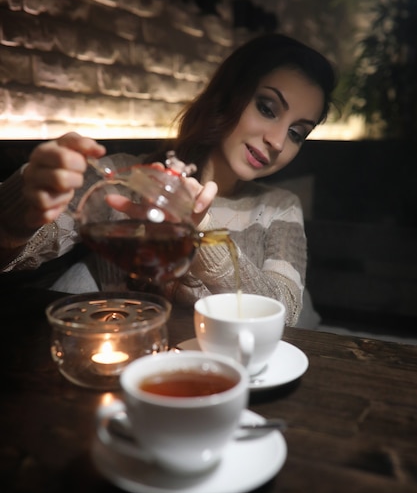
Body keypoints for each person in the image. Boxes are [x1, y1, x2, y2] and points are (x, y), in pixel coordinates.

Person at [0, 33, 336, 326]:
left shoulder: (279, 207)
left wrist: (202, 233)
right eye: (267, 107)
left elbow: (285, 311)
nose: (278, 141)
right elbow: (19, 254)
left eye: (296, 133)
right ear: (228, 94)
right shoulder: (126, 177)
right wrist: (22, 206)